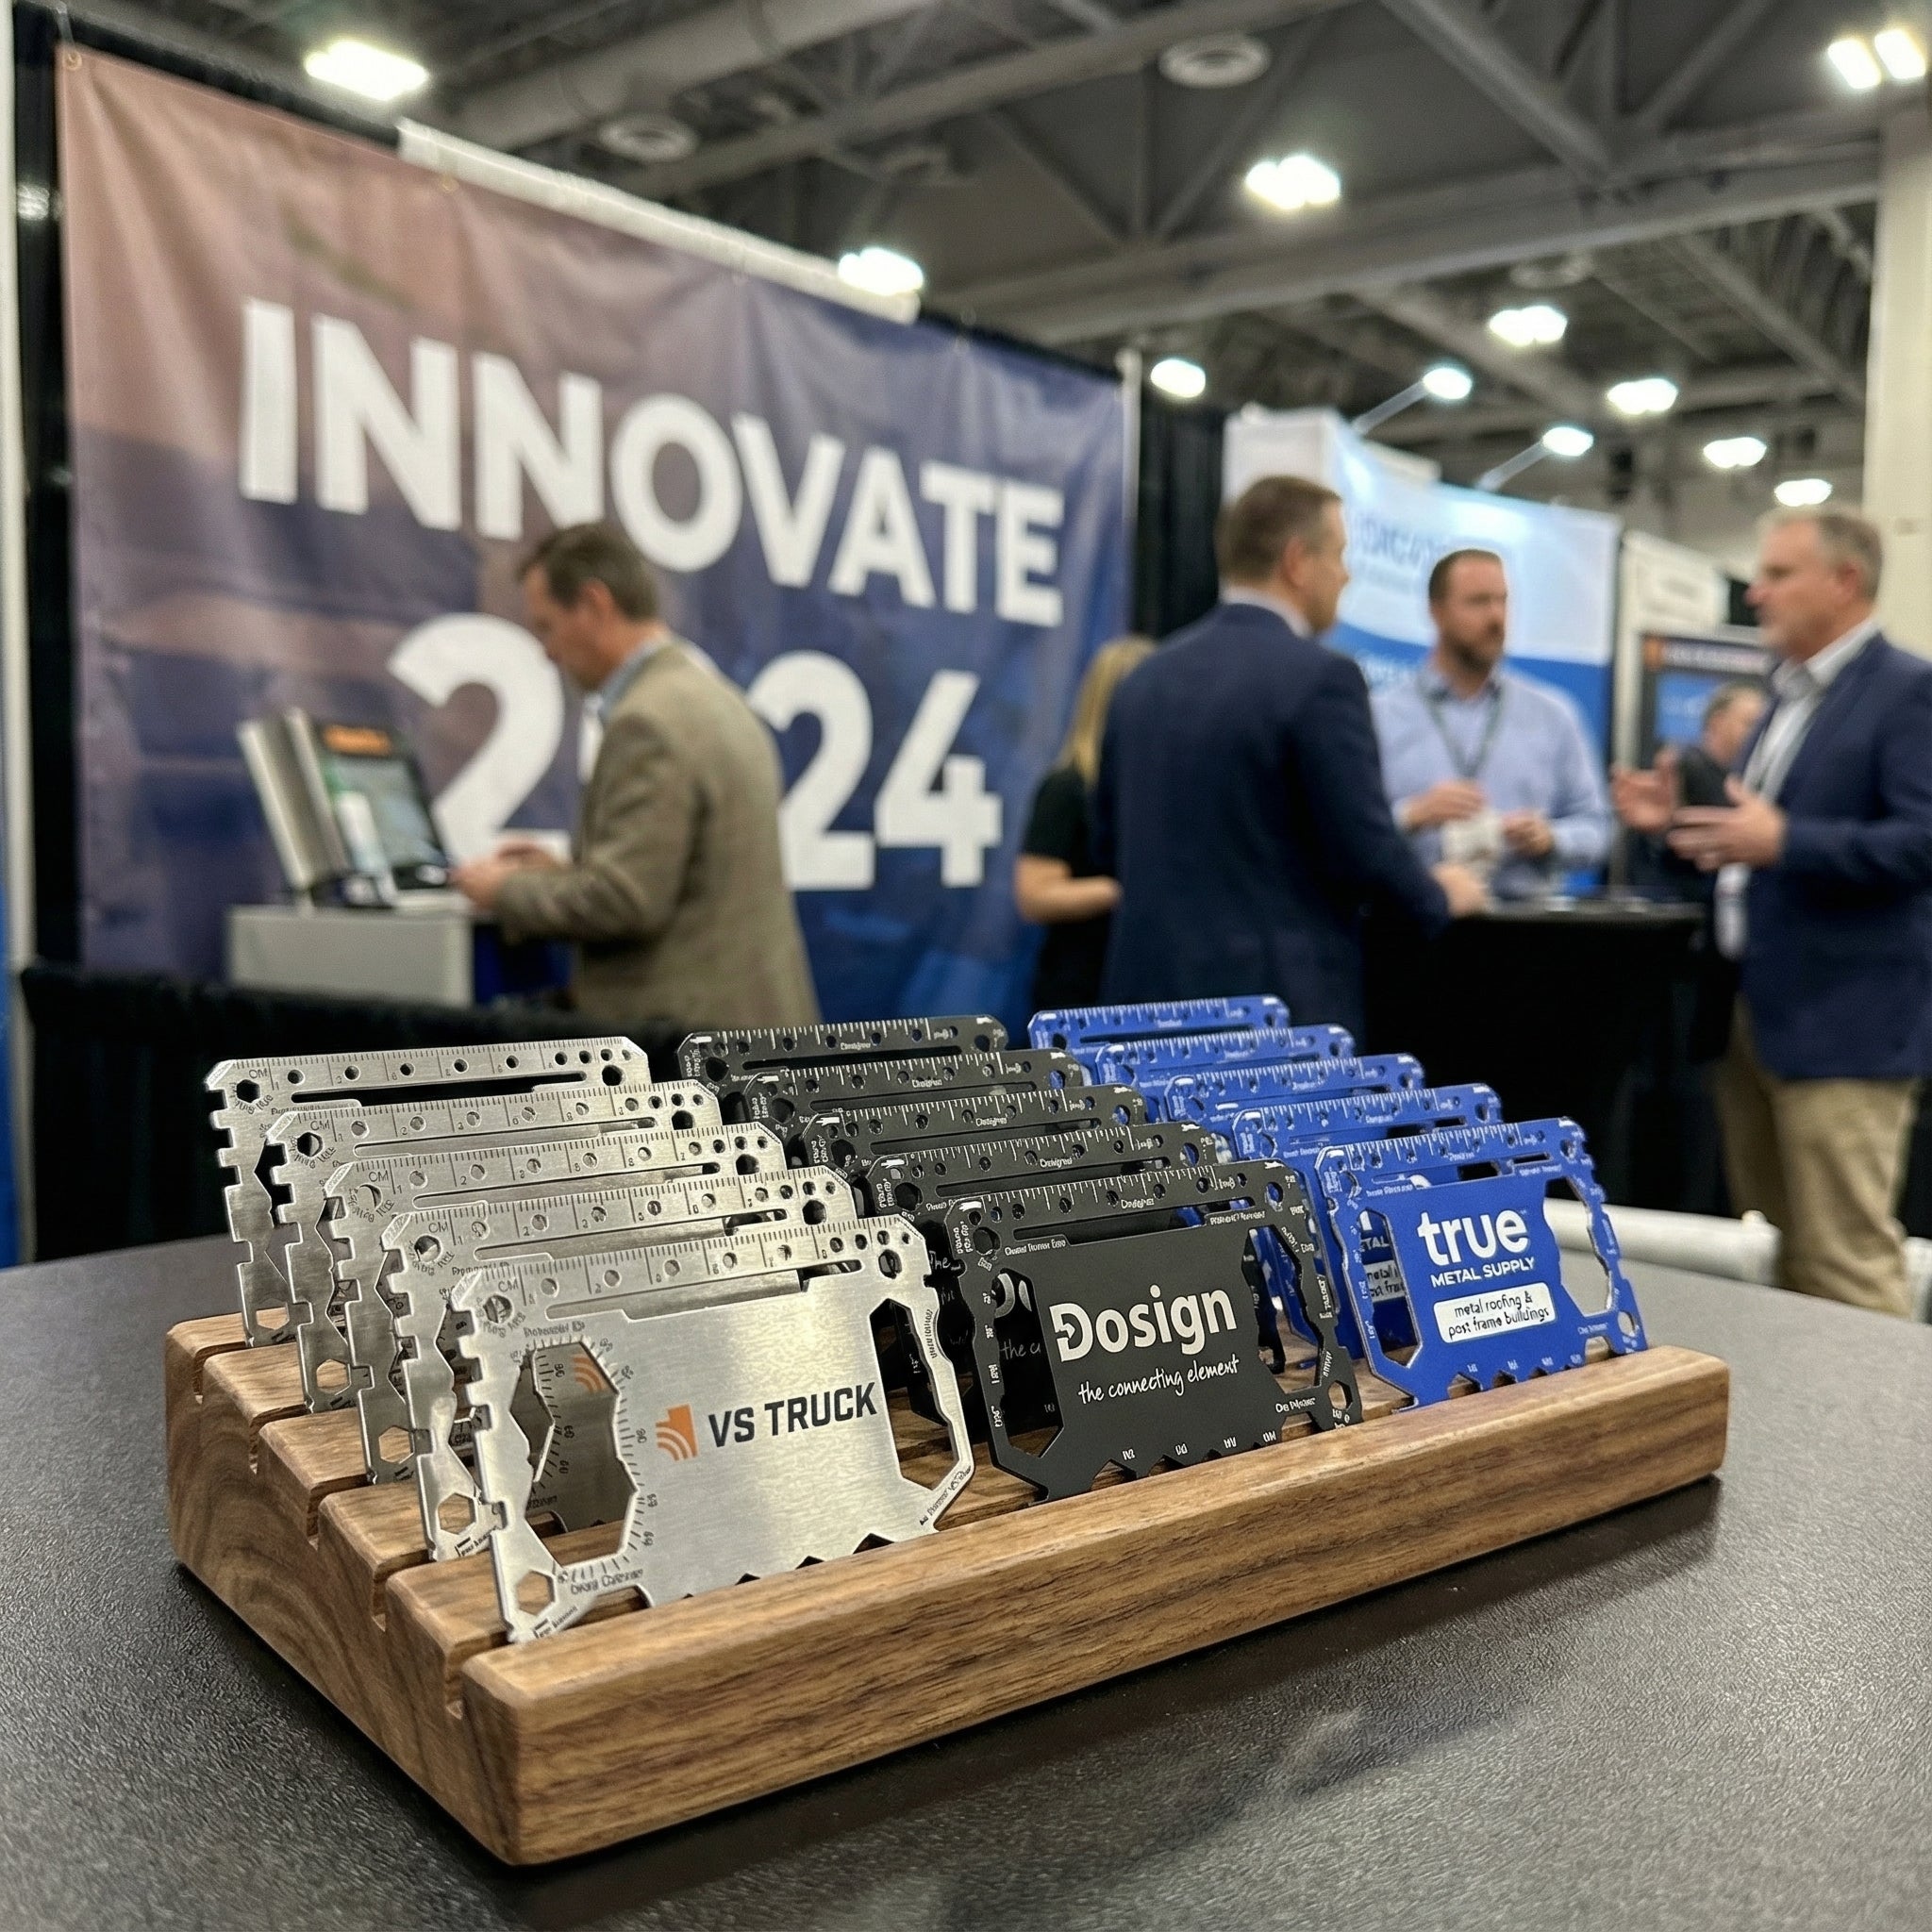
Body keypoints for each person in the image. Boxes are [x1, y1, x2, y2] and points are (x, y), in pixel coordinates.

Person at [1612, 508, 1932, 1318]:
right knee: (1792, 1251)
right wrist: (1677, 827)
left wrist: (1786, 838)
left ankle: (1886, 1444)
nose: (1755, 591)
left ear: (1845, 581)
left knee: (1847, 1262)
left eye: (1779, 574)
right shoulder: (1786, 697)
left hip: (1847, 1025)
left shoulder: (1904, 692)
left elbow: (1920, 843)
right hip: (1757, 1016)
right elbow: (1750, 843)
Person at [1091, 475, 1485, 1036]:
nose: (1346, 576)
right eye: (1340, 556)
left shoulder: (1142, 681)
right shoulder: (1322, 678)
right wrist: (1439, 896)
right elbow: (1363, 850)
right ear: (1298, 562)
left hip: (1143, 1017)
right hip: (1274, 1025)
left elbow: (1106, 846)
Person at [452, 523, 819, 1030]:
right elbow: (688, 876)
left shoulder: (648, 721)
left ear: (594, 605)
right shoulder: (716, 699)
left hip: (684, 1044)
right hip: (744, 1030)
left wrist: (500, 893)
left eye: (547, 627)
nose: (547, 652)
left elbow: (625, 903)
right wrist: (563, 873)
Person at [1373, 548, 1612, 900]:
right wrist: (1413, 814)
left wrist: (1551, 839)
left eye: (1502, 601)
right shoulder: (1381, 716)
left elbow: (1598, 826)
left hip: (1524, 931)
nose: (1496, 617)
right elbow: (1347, 829)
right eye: (1478, 602)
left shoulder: (1553, 715)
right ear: (1436, 612)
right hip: (1414, 925)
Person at [1014, 636, 1156, 1012]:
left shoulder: (1159, 792)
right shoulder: (1067, 790)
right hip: (1081, 992)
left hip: (1148, 988)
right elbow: (1034, 895)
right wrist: (1122, 891)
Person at [1626, 680, 1768, 903]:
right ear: (1717, 722)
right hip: (1679, 909)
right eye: (1750, 724)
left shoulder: (1751, 778)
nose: (1759, 734)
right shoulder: (1683, 766)